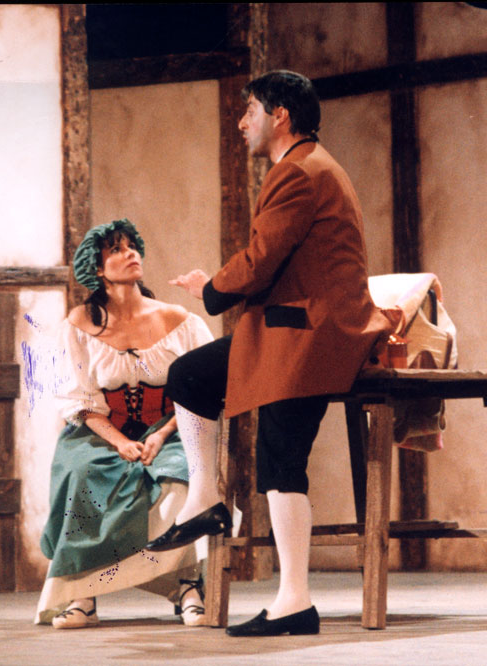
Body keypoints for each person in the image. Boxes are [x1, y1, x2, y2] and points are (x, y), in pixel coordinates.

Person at [146, 70, 391, 637]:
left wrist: (212, 289)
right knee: (191, 376)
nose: (242, 122)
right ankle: (205, 496)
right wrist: (218, 283)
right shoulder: (307, 166)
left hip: (309, 336)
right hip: (292, 328)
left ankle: (294, 601)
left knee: (281, 459)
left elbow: (261, 260)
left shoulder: (299, 172)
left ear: (280, 115)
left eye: (250, 110)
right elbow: (270, 260)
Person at [34, 219, 220, 629]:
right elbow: (81, 400)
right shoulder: (80, 325)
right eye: (117, 249)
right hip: (102, 433)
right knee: (82, 476)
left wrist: (163, 433)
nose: (130, 253)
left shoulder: (180, 320)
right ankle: (82, 595)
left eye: (133, 246)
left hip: (173, 429)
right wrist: (119, 441)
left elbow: (207, 387)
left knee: (180, 483)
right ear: (97, 269)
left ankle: (188, 586)